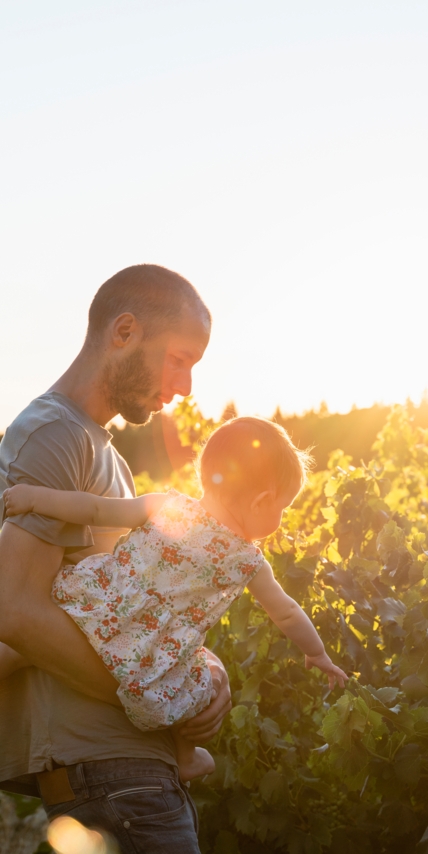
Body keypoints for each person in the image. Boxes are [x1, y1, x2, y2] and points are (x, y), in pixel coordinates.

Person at [0, 265, 231, 853]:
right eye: (178, 359)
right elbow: (16, 612)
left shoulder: (108, 460)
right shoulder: (53, 437)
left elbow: (121, 612)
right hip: (111, 782)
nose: (184, 387)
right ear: (124, 332)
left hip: (128, 779)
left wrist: (198, 668)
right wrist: (163, 698)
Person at [1, 417, 348, 784]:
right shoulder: (247, 561)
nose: (282, 518)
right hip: (145, 653)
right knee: (200, 686)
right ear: (262, 501)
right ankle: (185, 758)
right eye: (283, 508)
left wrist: (36, 498)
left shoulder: (168, 507)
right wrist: (317, 653)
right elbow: (288, 613)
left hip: (99, 608)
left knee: (28, 642)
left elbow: (95, 510)